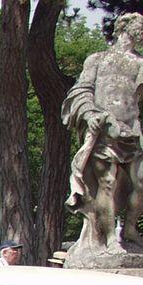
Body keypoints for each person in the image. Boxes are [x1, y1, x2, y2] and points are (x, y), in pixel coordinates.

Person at [62, 12, 143, 257]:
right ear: (125, 27)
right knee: (107, 183)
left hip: (133, 132)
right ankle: (109, 240)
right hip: (105, 131)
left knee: (140, 182)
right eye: (139, 25)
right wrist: (89, 114)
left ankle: (130, 229)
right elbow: (82, 90)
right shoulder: (98, 59)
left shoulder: (141, 63)